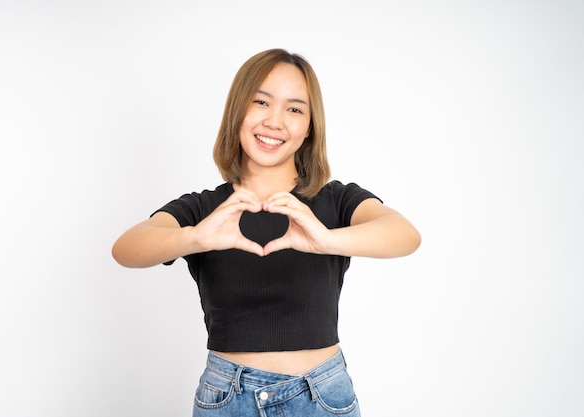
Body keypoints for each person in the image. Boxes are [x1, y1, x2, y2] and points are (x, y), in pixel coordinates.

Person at [112, 48, 421, 417]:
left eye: (294, 109)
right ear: (238, 111)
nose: (275, 121)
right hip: (227, 399)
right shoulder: (207, 210)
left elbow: (405, 234)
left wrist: (325, 240)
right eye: (261, 101)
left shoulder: (335, 201)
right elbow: (126, 248)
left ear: (309, 128)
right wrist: (195, 237)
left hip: (321, 398)